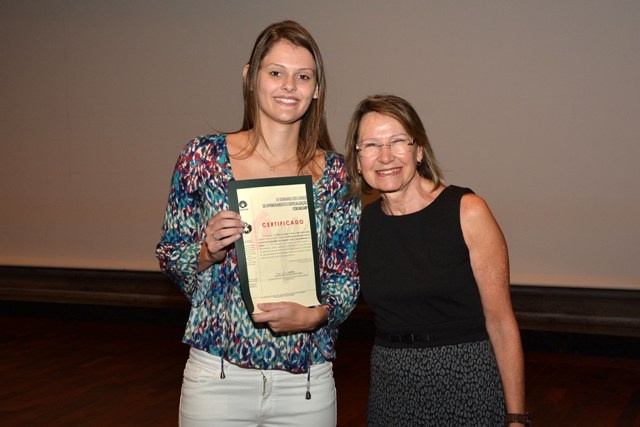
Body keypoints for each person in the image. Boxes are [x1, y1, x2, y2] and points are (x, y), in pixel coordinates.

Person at [156, 20, 360, 427]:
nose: (289, 85)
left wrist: (316, 316)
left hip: (306, 382)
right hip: (217, 378)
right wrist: (205, 251)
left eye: (303, 76)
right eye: (275, 72)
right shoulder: (203, 157)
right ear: (251, 78)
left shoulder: (337, 174)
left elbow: (346, 280)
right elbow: (170, 253)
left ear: (316, 88)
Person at [344, 94, 529, 426]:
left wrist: (516, 418)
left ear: (418, 150)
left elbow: (501, 325)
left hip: (466, 379)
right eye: (370, 145)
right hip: (392, 386)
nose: (385, 156)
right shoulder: (361, 225)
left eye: (397, 141)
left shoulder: (468, 211)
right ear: (357, 161)